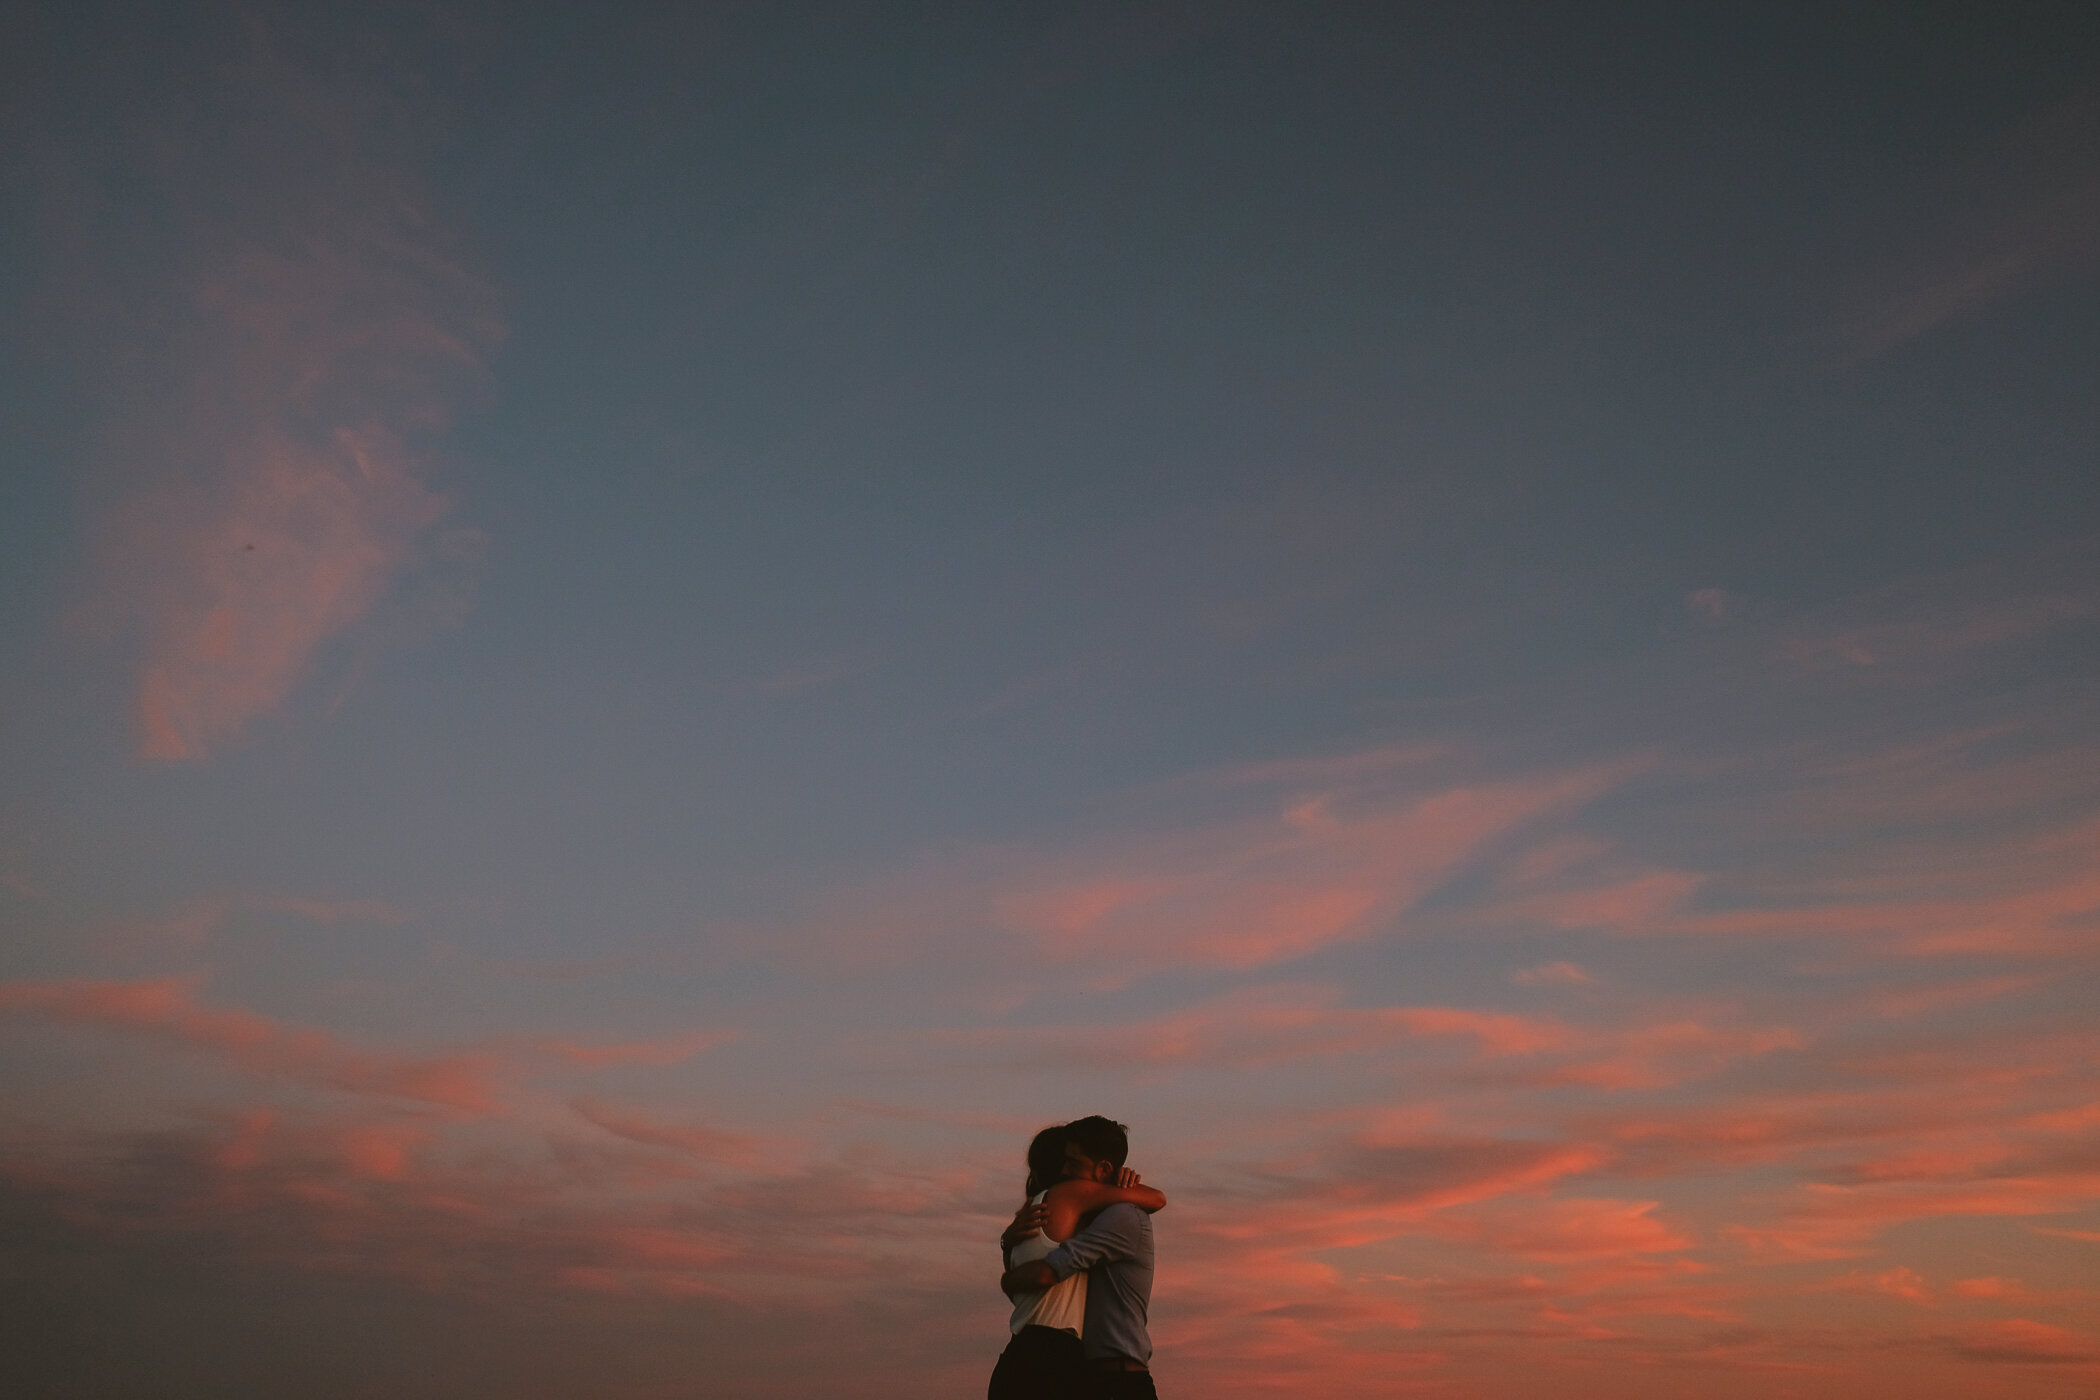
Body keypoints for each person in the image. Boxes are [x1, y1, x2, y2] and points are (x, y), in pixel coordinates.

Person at [999, 1116, 1162, 1400]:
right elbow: (1158, 1198)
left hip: (1016, 1358)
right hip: (1053, 1360)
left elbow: (1022, 1283)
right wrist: (1126, 1185)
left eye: (1072, 1162)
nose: (1067, 1169)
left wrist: (1006, 1244)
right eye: (1066, 1161)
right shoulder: (1071, 1196)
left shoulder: (1034, 1212)